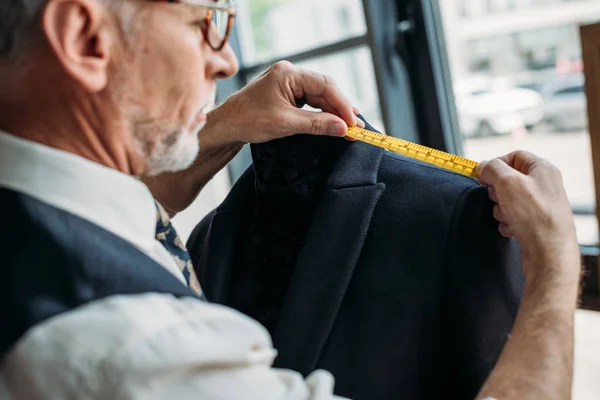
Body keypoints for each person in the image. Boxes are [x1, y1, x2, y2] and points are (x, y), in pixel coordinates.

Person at [0, 1, 581, 399]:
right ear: (86, 39)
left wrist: (214, 127)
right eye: (208, 20)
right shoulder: (135, 351)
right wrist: (554, 264)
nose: (224, 60)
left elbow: (105, 213)